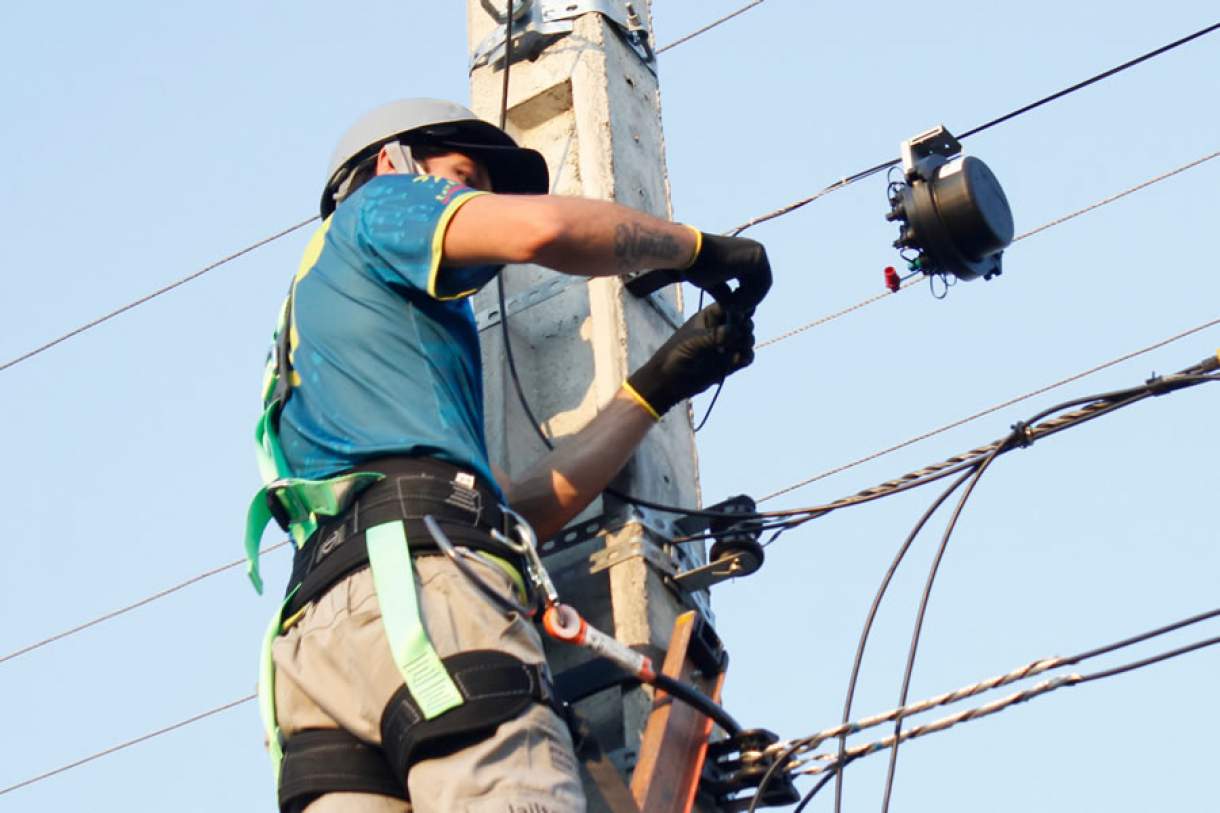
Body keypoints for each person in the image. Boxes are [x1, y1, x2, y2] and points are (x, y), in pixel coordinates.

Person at [244, 98, 772, 813]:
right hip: (422, 602)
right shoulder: (376, 207)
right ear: (391, 162)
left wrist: (653, 388)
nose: (476, 204)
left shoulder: (330, 339)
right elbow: (544, 228)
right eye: (463, 180)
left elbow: (512, 516)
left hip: (318, 658)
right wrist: (696, 249)